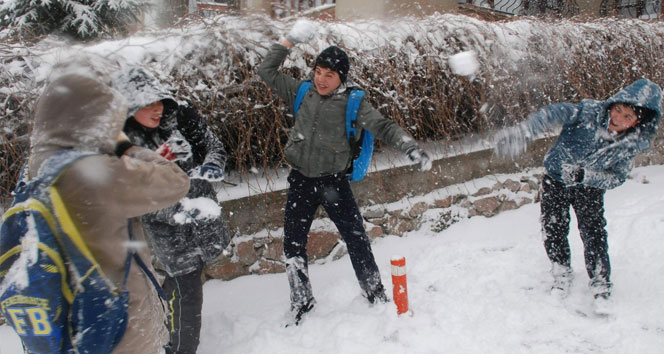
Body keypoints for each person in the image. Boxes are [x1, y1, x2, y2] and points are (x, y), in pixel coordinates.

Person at [258, 20, 432, 325]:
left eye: (330, 75)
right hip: (300, 180)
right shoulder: (302, 92)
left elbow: (384, 126)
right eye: (318, 72)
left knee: (356, 239)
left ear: (342, 78)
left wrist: (410, 147)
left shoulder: (354, 103)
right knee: (293, 244)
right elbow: (267, 71)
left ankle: (374, 292)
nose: (322, 80)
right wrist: (288, 41)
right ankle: (301, 300)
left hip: (334, 182)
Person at [28, 59, 190, 353]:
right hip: (117, 322)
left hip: (62, 317)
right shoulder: (95, 171)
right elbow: (175, 180)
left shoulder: (37, 168)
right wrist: (126, 147)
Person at [494, 78, 662, 312]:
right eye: (618, 110)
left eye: (627, 117)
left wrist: (586, 176)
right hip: (556, 180)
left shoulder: (629, 146)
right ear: (612, 104)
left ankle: (601, 282)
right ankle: (561, 272)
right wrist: (526, 131)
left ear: (637, 123)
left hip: (589, 190)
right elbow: (555, 112)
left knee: (593, 234)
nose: (618, 119)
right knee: (554, 228)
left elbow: (617, 177)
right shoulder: (588, 112)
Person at [112, 67, 230, 354]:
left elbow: (214, 145)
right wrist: (178, 211)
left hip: (202, 215)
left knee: (183, 280)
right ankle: (180, 348)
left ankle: (163, 324)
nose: (156, 110)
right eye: (147, 104)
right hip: (168, 228)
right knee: (189, 287)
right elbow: (132, 196)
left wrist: (213, 164)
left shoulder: (180, 117)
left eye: (159, 102)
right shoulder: (121, 144)